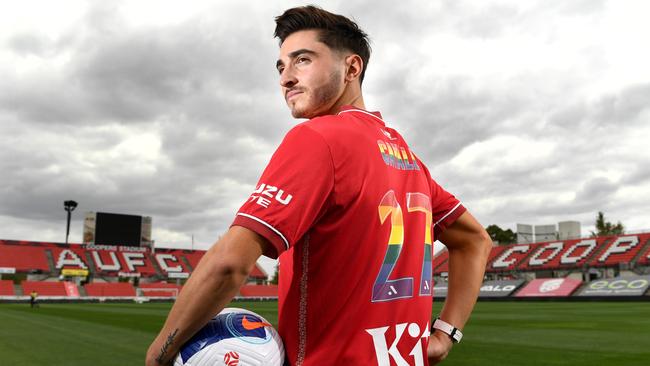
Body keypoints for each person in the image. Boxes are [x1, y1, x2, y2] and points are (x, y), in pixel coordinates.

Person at [146, 6, 492, 366]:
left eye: (303, 60)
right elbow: (474, 240)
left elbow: (229, 265)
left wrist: (160, 353)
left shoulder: (318, 138)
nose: (286, 78)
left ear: (351, 68)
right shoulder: (408, 159)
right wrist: (445, 333)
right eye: (281, 67)